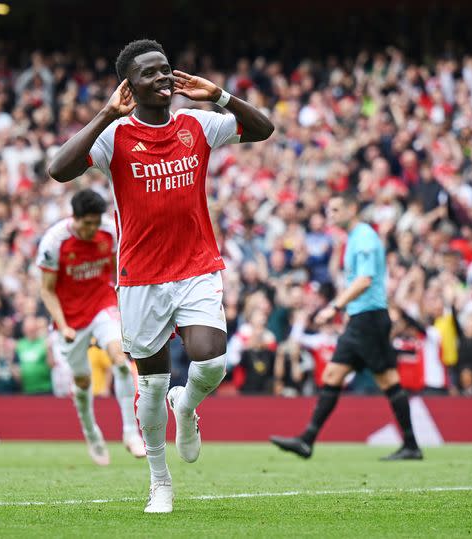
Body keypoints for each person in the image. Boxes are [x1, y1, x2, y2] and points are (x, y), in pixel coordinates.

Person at [47, 39, 273, 513]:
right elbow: (58, 170)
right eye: (150, 73)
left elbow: (264, 129)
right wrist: (106, 115)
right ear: (130, 85)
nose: (163, 78)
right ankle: (160, 480)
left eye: (166, 69)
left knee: (211, 362)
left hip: (195, 266)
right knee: (149, 388)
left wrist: (220, 96)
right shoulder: (117, 135)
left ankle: (186, 405)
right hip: (141, 278)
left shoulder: (197, 124)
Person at [270, 192, 423, 461]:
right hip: (363, 318)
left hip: (369, 318)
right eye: (329, 210)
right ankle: (307, 440)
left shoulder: (363, 237)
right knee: (334, 376)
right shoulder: (354, 238)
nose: (331, 215)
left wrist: (334, 306)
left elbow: (364, 280)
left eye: (336, 209)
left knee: (387, 380)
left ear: (352, 209)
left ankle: (410, 445)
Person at [36, 189, 145, 465]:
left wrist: (123, 304)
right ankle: (91, 433)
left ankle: (131, 432)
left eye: (96, 223)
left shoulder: (110, 233)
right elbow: (47, 291)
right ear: (75, 218)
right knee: (82, 380)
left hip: (101, 305)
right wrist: (62, 325)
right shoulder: (54, 242)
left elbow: (117, 270)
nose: (92, 229)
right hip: (70, 318)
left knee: (120, 359)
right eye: (87, 224)